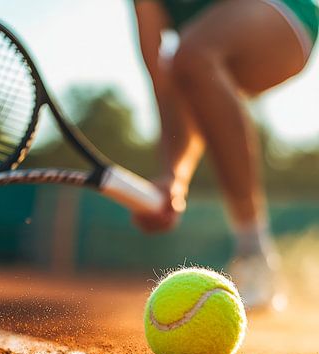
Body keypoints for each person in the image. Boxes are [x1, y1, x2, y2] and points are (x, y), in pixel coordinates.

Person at [131, 0, 319, 309]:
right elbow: (167, 88)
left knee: (193, 54)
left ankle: (254, 252)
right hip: (210, 49)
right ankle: (255, 254)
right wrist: (174, 176)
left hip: (286, 12)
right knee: (188, 65)